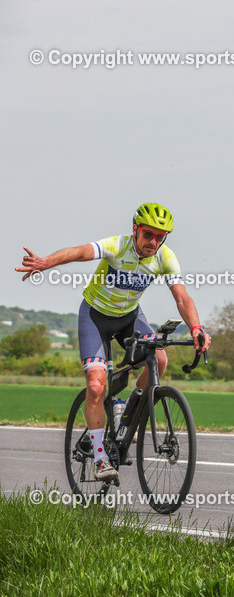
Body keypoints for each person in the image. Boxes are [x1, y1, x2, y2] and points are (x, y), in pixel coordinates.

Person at [16, 203, 211, 482]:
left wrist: (196, 328)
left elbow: (182, 297)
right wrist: (48, 262)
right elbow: (80, 251)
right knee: (96, 386)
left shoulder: (165, 257)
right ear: (135, 230)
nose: (153, 242)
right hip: (95, 317)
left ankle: (128, 414)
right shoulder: (117, 246)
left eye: (160, 236)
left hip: (129, 318)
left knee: (160, 359)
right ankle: (99, 457)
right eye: (147, 234)